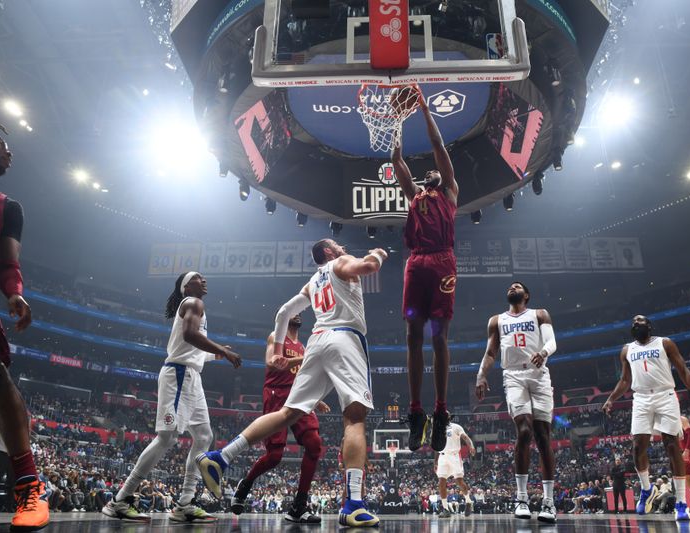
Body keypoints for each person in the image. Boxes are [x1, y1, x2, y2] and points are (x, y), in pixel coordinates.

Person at [197, 240, 387, 528]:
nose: (341, 246)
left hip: (318, 340)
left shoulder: (311, 283)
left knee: (289, 413)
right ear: (327, 253)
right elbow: (370, 266)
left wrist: (276, 352)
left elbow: (283, 313)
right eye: (336, 245)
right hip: (345, 338)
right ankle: (354, 504)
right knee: (355, 417)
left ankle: (221, 456)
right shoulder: (340, 263)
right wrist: (377, 253)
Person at [103, 272, 241, 523]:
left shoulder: (195, 305)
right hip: (178, 375)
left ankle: (184, 503)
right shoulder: (193, 303)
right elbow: (190, 336)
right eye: (198, 277)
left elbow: (187, 345)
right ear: (187, 287)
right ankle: (120, 500)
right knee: (167, 438)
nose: (204, 279)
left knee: (203, 436)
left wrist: (213, 355)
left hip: (190, 376)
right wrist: (220, 349)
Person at [0, 118, 48, 531]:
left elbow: (8, 264)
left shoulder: (8, 206)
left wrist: (15, 293)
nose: (9, 152)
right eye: (0, 141)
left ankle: (28, 489)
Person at [391, 89, 459, 453]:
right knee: (412, 336)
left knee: (439, 337)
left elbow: (437, 144)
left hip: (442, 261)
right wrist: (397, 120)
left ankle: (441, 409)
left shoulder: (449, 190)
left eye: (435, 168)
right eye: (428, 170)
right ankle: (416, 411)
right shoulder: (415, 195)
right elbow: (396, 157)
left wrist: (421, 107)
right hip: (416, 263)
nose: (431, 169)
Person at [602, 315, 690, 522]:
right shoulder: (627, 349)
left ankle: (681, 503)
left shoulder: (665, 343)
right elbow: (625, 380)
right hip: (641, 398)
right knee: (637, 447)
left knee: (671, 446)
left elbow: (683, 370)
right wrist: (611, 399)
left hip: (665, 396)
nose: (636, 323)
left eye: (640, 321)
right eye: (633, 322)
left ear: (649, 326)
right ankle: (647, 489)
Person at [229, 314, 329, 523]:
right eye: (292, 311)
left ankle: (298, 507)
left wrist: (316, 399)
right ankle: (245, 484)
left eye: (300, 312)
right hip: (276, 393)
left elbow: (301, 375)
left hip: (299, 396)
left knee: (314, 444)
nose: (297, 313)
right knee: (274, 457)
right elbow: (272, 363)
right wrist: (306, 357)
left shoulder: (302, 346)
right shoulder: (276, 336)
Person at [475, 281, 558, 523]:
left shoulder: (539, 314)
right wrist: (481, 375)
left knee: (543, 436)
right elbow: (491, 352)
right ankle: (521, 498)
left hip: (539, 374)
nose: (513, 287)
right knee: (524, 431)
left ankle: (548, 502)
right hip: (513, 375)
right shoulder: (496, 320)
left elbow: (552, 342)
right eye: (510, 287)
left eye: (518, 286)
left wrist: (543, 353)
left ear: (527, 295)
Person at [434, 419, 476, 518]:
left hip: (454, 456)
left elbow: (465, 437)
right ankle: (445, 509)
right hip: (442, 457)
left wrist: (471, 446)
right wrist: (435, 461)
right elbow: (436, 446)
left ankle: (468, 501)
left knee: (459, 481)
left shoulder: (456, 427)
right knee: (441, 482)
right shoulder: (438, 429)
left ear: (448, 417)